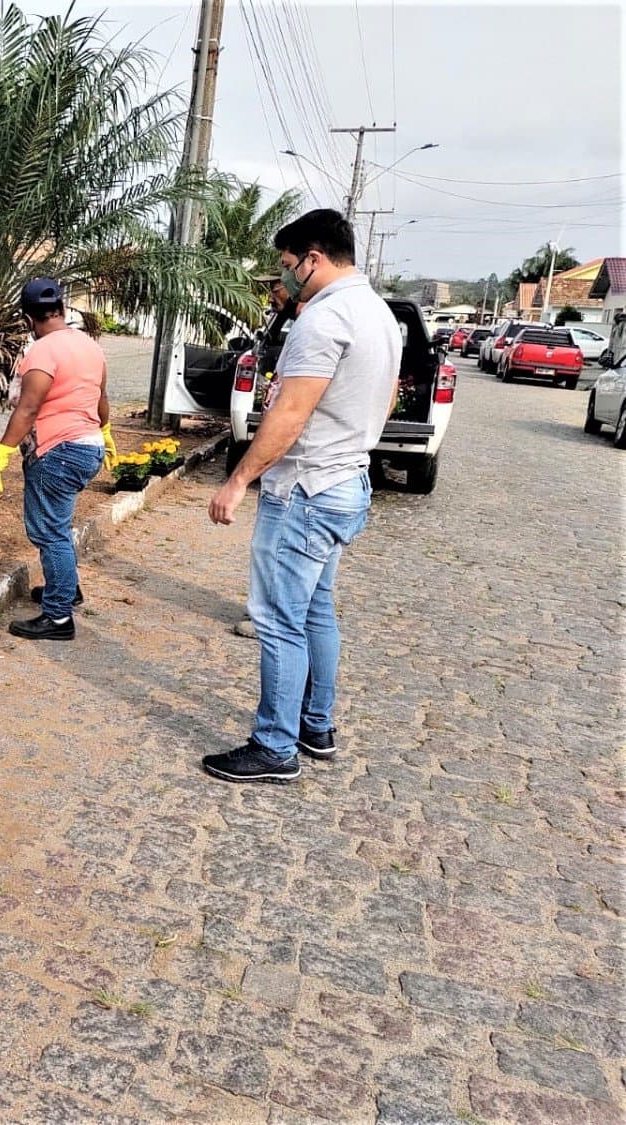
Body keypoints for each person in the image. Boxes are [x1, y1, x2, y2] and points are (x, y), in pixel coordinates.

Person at [203, 208, 399, 784]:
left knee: (278, 618)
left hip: (305, 491)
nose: (284, 278)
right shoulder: (379, 314)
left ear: (312, 258)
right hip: (347, 482)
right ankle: (315, 725)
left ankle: (274, 747)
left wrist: (239, 479)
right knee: (316, 609)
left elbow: (289, 413)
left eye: (287, 266)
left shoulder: (324, 319)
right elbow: (385, 402)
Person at [0, 278, 115, 641]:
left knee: (50, 533)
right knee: (59, 526)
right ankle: (65, 591)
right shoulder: (90, 347)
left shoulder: (41, 352)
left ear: (27, 318)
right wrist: (108, 431)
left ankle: (57, 618)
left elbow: (29, 407)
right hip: (88, 447)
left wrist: (1, 453)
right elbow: (100, 397)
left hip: (59, 452)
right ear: (63, 311)